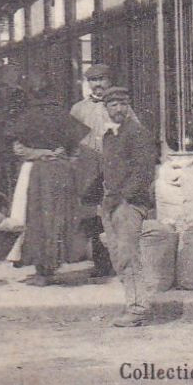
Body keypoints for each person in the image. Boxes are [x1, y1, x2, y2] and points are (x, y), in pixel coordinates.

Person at [3, 95, 91, 285]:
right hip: (62, 172)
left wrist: (40, 153)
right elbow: (76, 150)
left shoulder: (27, 116)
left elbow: (19, 149)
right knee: (57, 220)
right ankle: (50, 268)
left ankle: (42, 271)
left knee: (36, 219)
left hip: (35, 172)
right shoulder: (63, 117)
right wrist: (59, 157)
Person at [99, 86, 159, 327]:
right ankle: (133, 303)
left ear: (129, 106)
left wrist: (124, 198)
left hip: (129, 204)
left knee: (128, 256)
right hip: (112, 204)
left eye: (123, 104)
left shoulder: (137, 133)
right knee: (119, 258)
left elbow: (143, 172)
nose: (119, 109)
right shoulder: (109, 136)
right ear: (106, 109)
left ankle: (137, 309)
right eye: (113, 105)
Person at [70, 63, 117, 278]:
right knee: (91, 215)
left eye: (101, 79)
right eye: (93, 80)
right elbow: (70, 139)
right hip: (87, 168)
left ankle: (118, 261)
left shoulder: (120, 106)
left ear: (109, 80)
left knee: (114, 212)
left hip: (113, 166)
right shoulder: (78, 109)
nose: (97, 84)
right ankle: (100, 262)